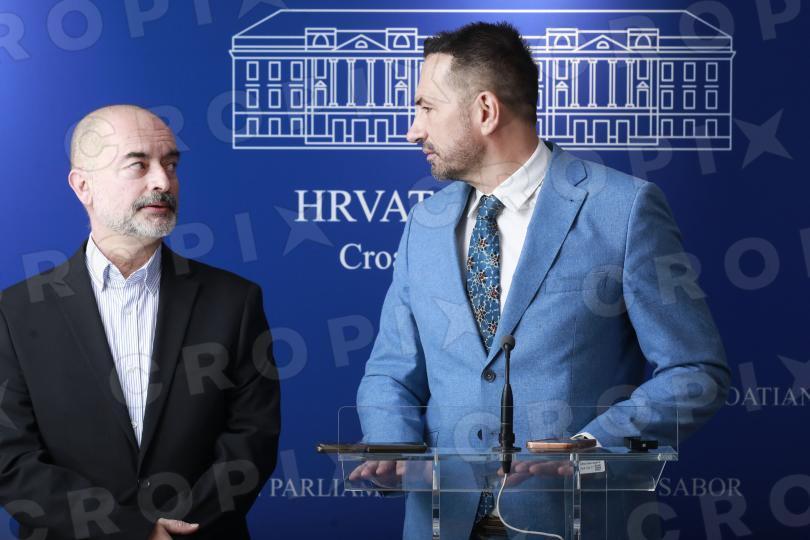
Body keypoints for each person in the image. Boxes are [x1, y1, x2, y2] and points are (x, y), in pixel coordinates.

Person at [355, 22, 730, 539]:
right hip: (440, 522)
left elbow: (696, 371)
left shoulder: (624, 210)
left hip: (572, 522)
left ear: (485, 111)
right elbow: (390, 371)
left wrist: (594, 443)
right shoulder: (424, 223)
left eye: (426, 108)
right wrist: (393, 448)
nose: (413, 131)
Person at [0, 105, 281, 539]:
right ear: (83, 186)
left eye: (171, 165)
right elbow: (11, 460)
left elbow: (252, 440)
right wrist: (135, 532)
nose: (162, 182)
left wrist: (177, 531)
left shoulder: (234, 301)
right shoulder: (15, 312)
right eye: (138, 164)